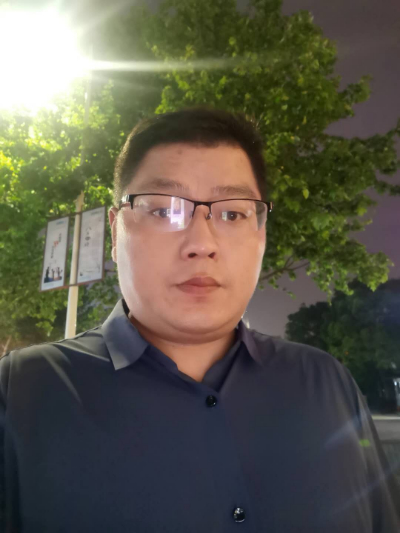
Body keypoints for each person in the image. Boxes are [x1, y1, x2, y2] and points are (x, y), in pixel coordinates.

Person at [0, 108, 399, 533]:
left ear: (261, 235)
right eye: (163, 210)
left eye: (232, 214)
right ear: (116, 233)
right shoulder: (22, 393)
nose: (201, 243)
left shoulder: (326, 384)